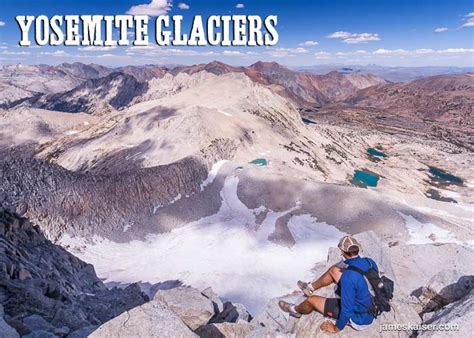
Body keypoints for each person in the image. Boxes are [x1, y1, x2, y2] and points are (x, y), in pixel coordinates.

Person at [279, 235, 378, 333]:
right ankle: (310, 287)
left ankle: (295, 310)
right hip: (371, 303)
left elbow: (347, 310)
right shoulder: (369, 262)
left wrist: (336, 328)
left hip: (359, 317)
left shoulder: (348, 277)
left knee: (311, 300)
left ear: (342, 252)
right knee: (334, 270)